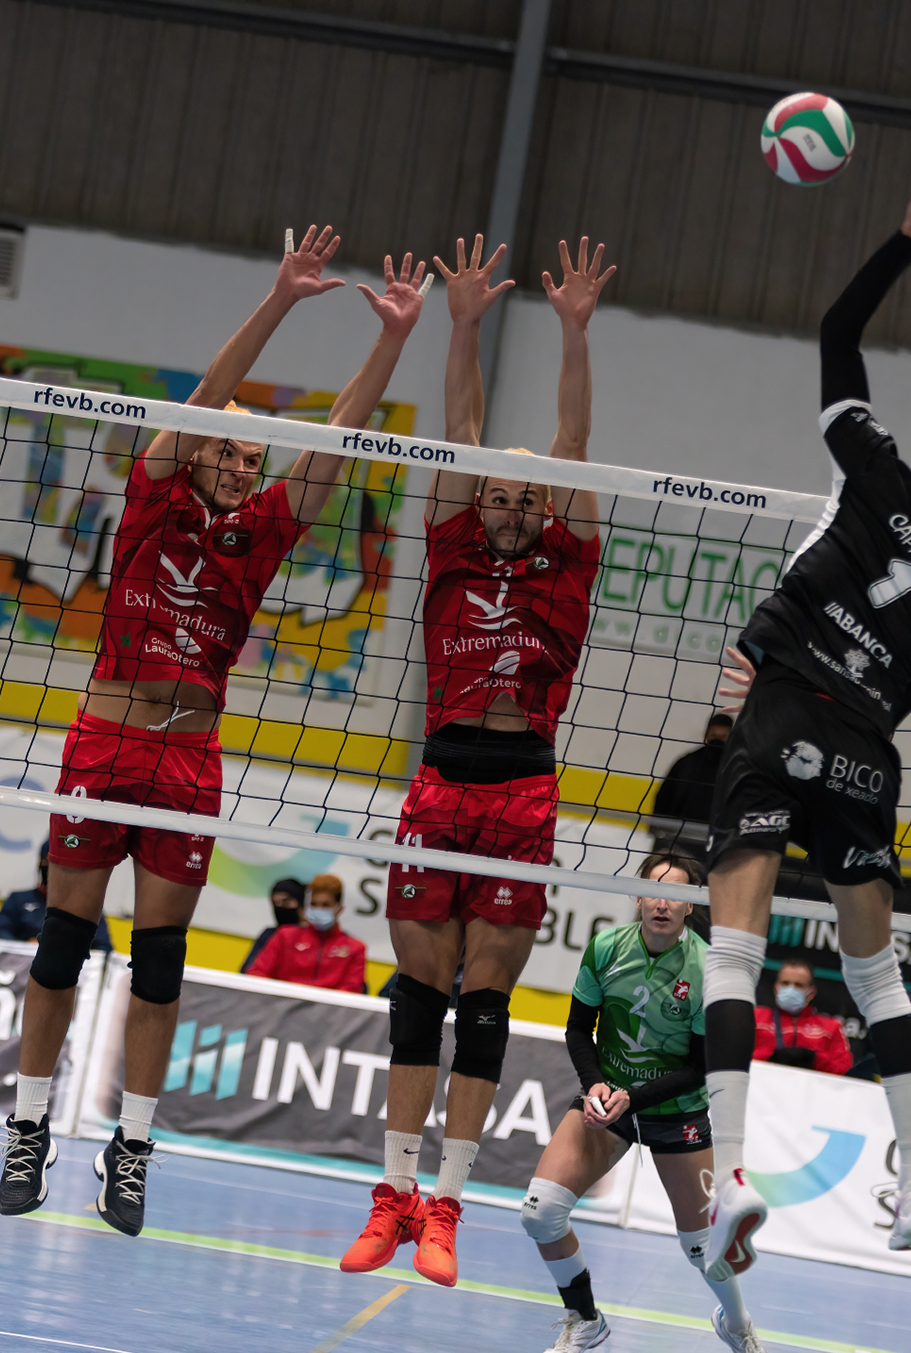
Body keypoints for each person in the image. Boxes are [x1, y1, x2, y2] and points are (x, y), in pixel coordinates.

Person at [0, 227, 429, 1236]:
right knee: (59, 948)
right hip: (104, 742)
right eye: (229, 450)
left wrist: (393, 339)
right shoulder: (151, 499)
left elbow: (339, 436)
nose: (242, 466)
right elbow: (207, 395)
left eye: (252, 457)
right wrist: (280, 299)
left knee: (159, 962)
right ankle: (26, 1125)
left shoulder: (263, 529)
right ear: (195, 449)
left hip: (188, 757)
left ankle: (131, 1148)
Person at [699, 147, 911, 1277]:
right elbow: (900, 692)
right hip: (862, 750)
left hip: (783, 711)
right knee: (877, 974)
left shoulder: (881, 476)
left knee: (735, 950)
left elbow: (837, 330)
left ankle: (730, 1178)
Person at [341, 234, 610, 1288]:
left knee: (485, 1001)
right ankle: (391, 1198)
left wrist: (573, 332)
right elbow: (458, 430)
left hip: (523, 787)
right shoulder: (451, 543)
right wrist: (458, 326)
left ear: (541, 511)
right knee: (417, 993)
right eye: (493, 494)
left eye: (521, 499)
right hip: (440, 778)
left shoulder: (566, 561)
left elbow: (573, 444)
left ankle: (445, 1207)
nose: (505, 507)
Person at [521, 853, 768, 1353]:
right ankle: (585, 1320)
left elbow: (700, 1066)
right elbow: (578, 1029)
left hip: (676, 1110)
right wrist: (595, 1085)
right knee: (540, 1213)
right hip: (607, 1099)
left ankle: (737, 1324)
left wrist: (633, 1098)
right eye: (654, 890)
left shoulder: (708, 968)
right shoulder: (607, 948)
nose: (662, 903)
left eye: (676, 895)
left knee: (702, 1248)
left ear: (691, 906)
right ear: (637, 897)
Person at [243, 873, 367, 993]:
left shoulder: (354, 948)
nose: (319, 909)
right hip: (281, 1004)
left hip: (328, 1007)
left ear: (339, 908)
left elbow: (351, 990)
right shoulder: (285, 936)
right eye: (314, 904)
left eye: (326, 905)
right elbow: (256, 973)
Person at [0, 845, 113, 952]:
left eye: (60, 864)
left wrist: (70, 952)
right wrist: (26, 947)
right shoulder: (18, 899)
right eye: (46, 862)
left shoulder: (87, 908)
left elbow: (103, 948)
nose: (51, 868)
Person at [753, 960, 852, 1075]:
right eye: (785, 983)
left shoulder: (831, 1028)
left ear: (811, 992)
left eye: (798, 985)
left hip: (811, 1085)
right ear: (776, 988)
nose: (790, 989)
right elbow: (739, 1056)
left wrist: (814, 1058)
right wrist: (771, 1056)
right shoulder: (755, 1018)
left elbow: (844, 1069)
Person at [652, 713, 734, 831]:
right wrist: (657, 830)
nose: (717, 742)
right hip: (681, 835)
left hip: (722, 837)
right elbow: (664, 798)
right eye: (714, 736)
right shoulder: (687, 764)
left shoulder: (738, 768)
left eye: (723, 737)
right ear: (706, 735)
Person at [239, 877, 305, 974]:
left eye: (286, 902)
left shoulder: (312, 937)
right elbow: (247, 970)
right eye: (276, 903)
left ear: (301, 904)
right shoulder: (269, 935)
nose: (280, 907)